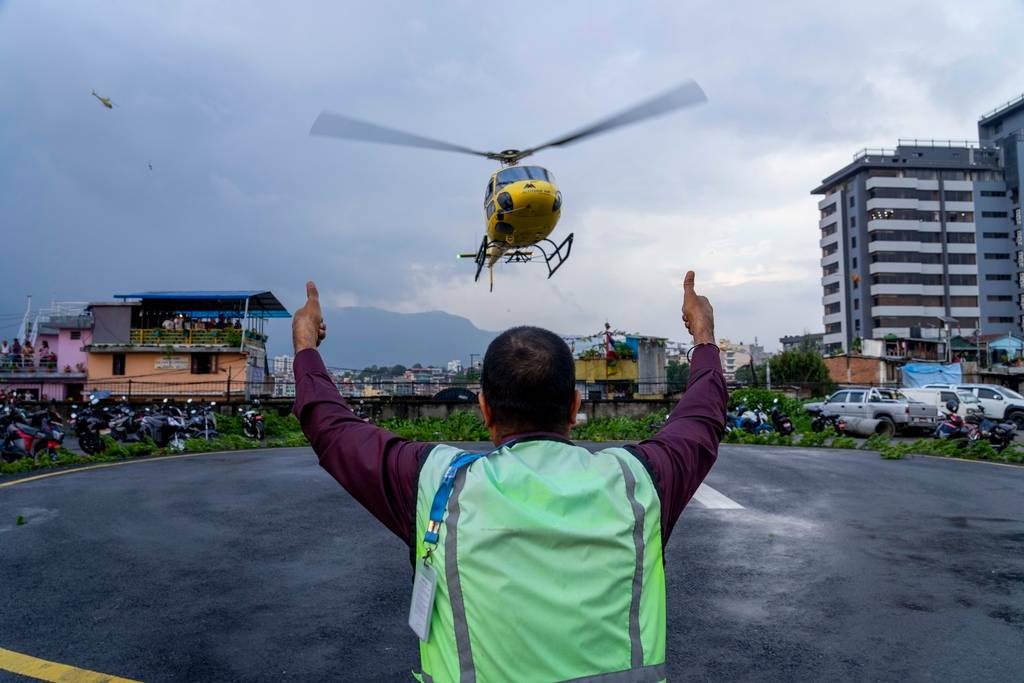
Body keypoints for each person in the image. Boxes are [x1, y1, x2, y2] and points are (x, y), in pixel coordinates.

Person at [292, 272, 725, 682]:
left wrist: (306, 345)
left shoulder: (436, 482)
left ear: (484, 410)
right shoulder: (638, 482)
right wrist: (703, 336)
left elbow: (333, 429)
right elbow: (700, 420)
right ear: (575, 407)